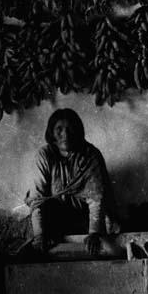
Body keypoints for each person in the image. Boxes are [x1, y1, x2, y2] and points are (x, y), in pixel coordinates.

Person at [25, 108, 121, 256]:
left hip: (85, 217)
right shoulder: (44, 156)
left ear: (78, 131)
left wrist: (94, 233)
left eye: (71, 129)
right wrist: (39, 236)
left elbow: (97, 199)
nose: (65, 134)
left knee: (109, 241)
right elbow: (37, 199)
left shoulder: (91, 155)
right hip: (58, 218)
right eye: (59, 129)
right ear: (52, 133)